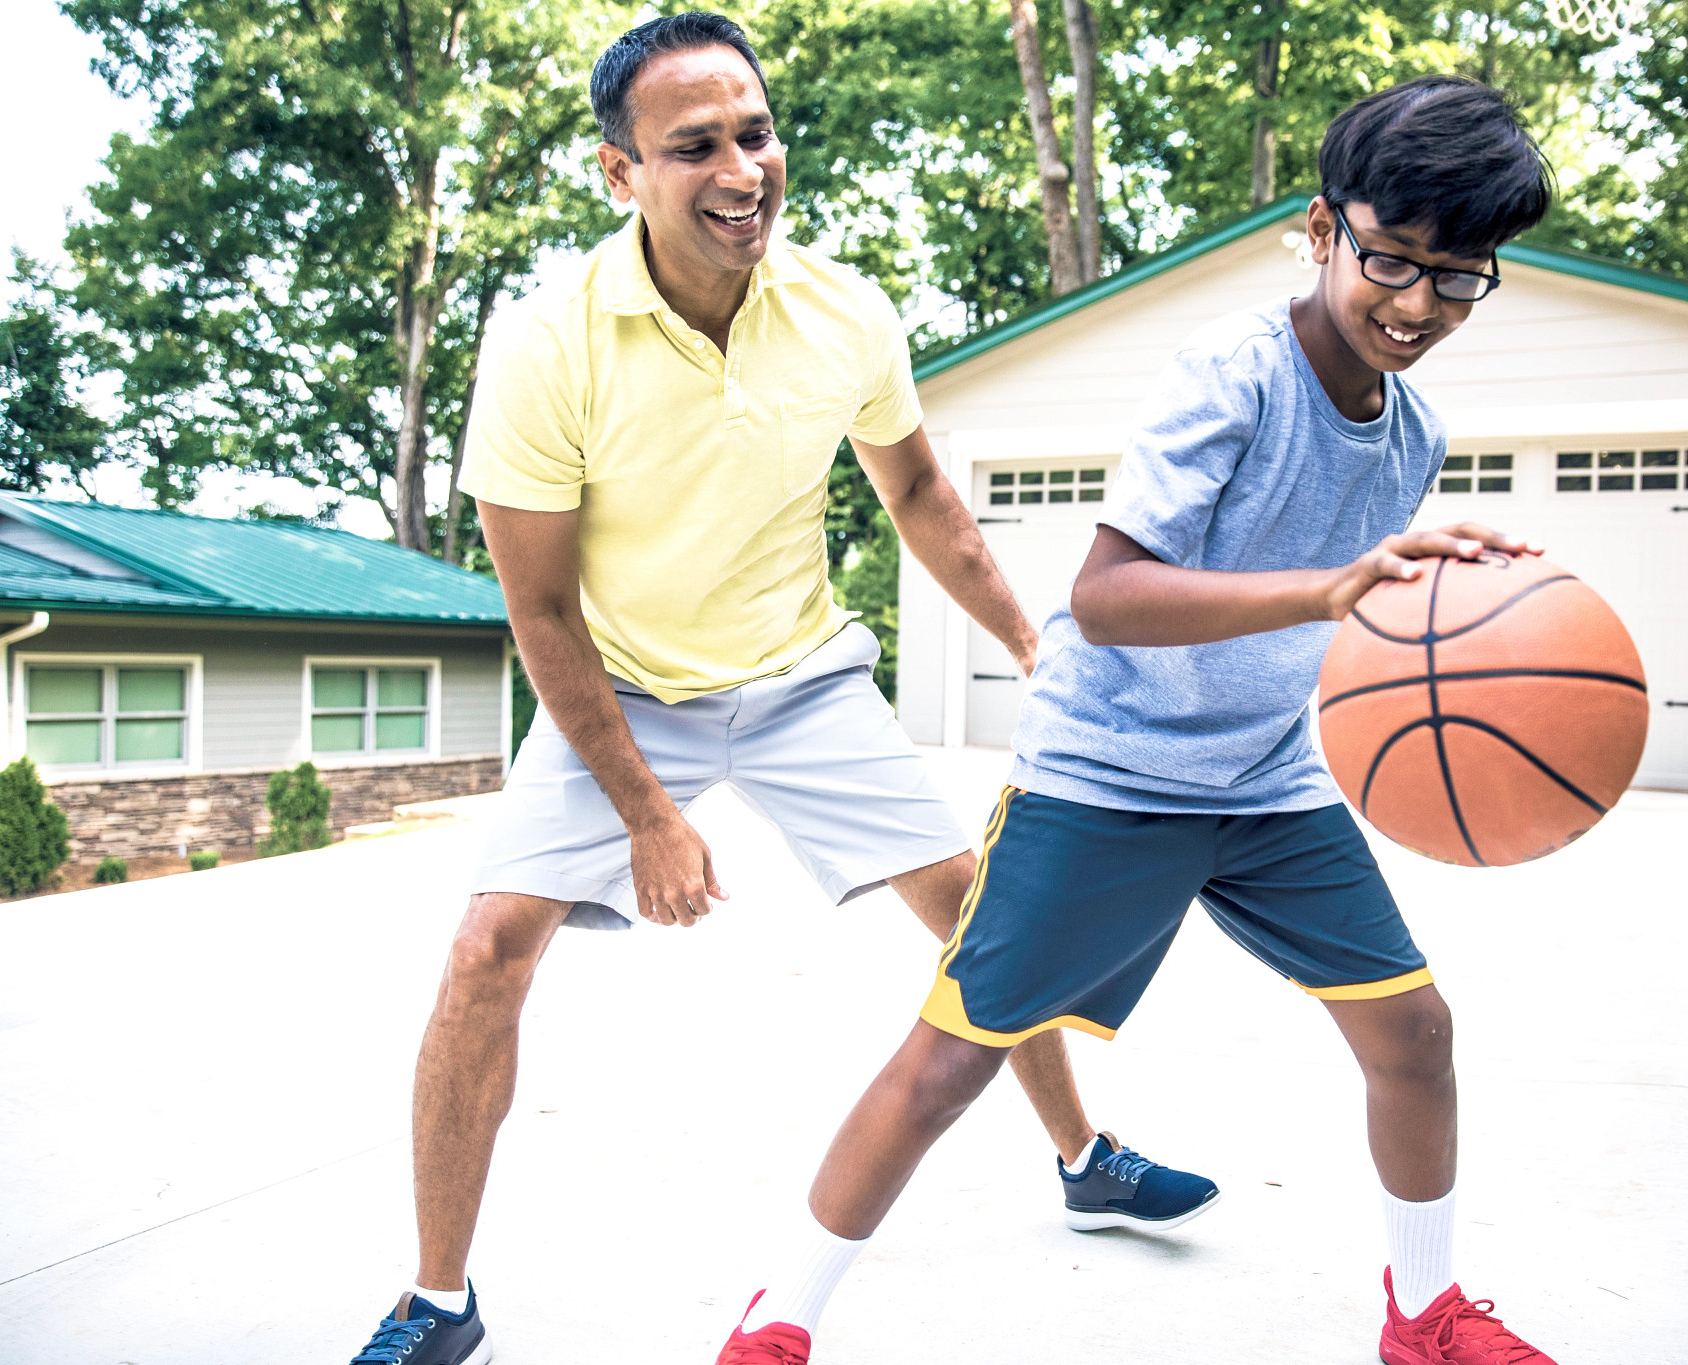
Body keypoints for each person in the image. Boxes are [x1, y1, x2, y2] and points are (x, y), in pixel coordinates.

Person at [343, 15, 1216, 1365]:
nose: (740, 166)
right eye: (694, 144)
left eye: (753, 131)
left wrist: (1038, 646)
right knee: (482, 953)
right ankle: (438, 1299)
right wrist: (645, 809)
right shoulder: (545, 343)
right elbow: (541, 607)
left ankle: (1085, 1157)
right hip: (624, 686)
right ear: (618, 173)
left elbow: (920, 492)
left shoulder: (842, 311)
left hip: (804, 677)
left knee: (987, 922)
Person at [715, 74, 1566, 1365]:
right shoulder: (1232, 374)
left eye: (1460, 278)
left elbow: (1349, 607)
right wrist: (1329, 586)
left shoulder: (1414, 432)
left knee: (1416, 1031)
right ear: (1325, 228)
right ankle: (777, 1320)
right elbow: (1106, 598)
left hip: (1269, 779)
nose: (1417, 304)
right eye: (1392, 258)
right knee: (952, 1058)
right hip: (1105, 773)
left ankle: (1426, 1310)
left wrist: (1452, 615)